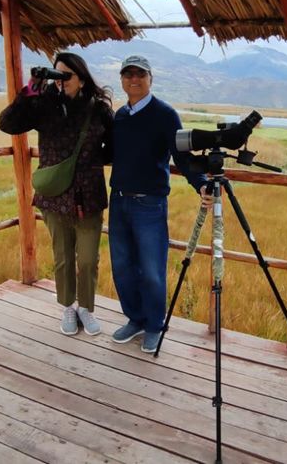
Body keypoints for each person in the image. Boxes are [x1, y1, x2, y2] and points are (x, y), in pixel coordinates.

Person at [0, 52, 113, 336]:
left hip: (88, 197)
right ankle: (68, 307)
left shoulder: (98, 109)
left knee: (88, 259)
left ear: (82, 79)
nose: (61, 82)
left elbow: (114, 145)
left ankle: (86, 308)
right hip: (54, 197)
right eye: (56, 75)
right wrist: (30, 91)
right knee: (63, 256)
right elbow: (8, 124)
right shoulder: (44, 104)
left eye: (67, 76)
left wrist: (91, 160)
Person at [109, 55, 211, 353]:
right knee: (123, 267)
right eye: (128, 75)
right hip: (118, 202)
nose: (134, 79)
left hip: (149, 206)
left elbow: (182, 156)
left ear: (150, 78)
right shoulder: (120, 116)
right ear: (122, 80)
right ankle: (135, 319)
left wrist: (201, 183)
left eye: (140, 74)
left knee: (152, 270)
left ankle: (154, 325)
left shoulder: (165, 114)